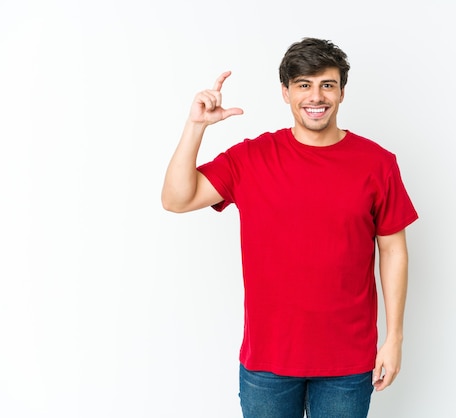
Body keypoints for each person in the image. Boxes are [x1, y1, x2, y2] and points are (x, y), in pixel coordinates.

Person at [161, 37, 418, 418]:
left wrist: (394, 339)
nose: (316, 96)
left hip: (347, 362)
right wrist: (195, 126)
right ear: (285, 92)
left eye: (327, 84)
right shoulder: (251, 158)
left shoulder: (377, 163)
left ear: (342, 93)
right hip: (268, 361)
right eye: (304, 85)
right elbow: (176, 199)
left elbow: (393, 249)